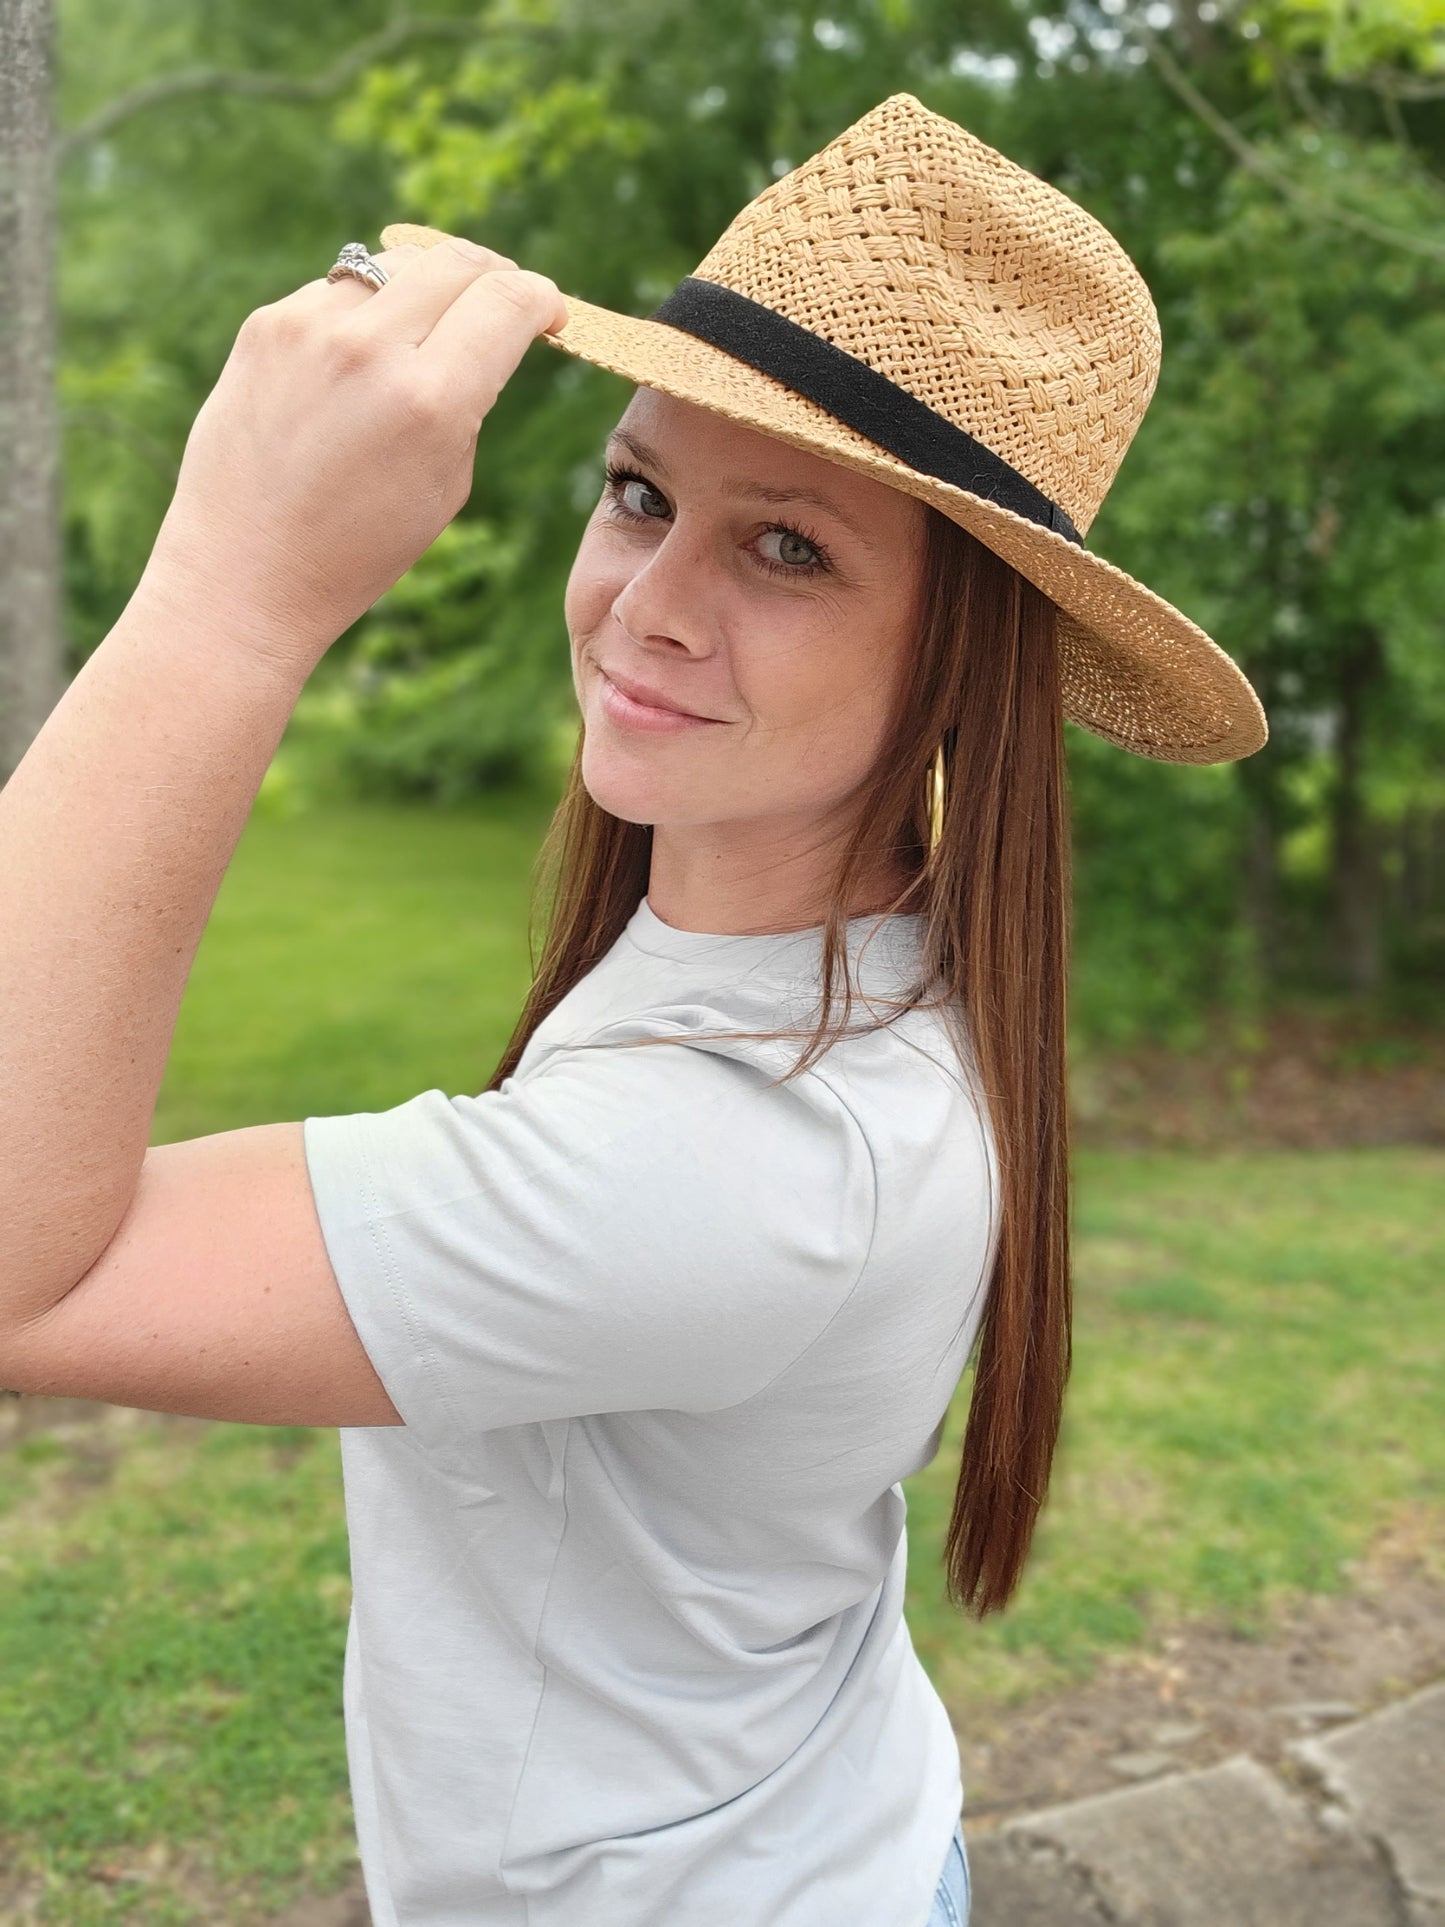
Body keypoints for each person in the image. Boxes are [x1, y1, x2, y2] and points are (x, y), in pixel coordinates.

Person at [0, 93, 1266, 1927]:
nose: (642, 605)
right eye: (642, 493)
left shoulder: (743, 1161)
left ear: (961, 663)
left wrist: (226, 592)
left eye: (787, 550)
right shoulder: (855, 973)